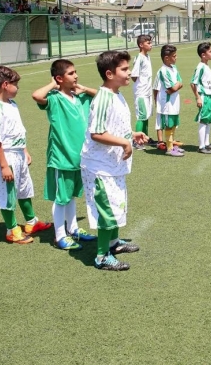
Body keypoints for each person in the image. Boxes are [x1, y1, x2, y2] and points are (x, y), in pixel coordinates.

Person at [81, 50, 149, 271]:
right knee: (107, 211)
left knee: (117, 205)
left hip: (113, 165)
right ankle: (102, 257)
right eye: (124, 69)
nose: (129, 72)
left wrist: (130, 135)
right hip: (100, 167)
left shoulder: (116, 94)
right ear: (109, 74)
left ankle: (113, 243)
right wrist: (124, 143)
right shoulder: (102, 98)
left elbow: (114, 126)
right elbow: (96, 133)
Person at [32, 59, 98, 250]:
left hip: (80, 157)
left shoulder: (80, 97)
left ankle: (74, 229)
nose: (76, 76)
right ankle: (60, 235)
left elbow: (102, 96)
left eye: (75, 72)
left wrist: (83, 88)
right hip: (62, 157)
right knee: (61, 198)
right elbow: (37, 96)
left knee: (71, 196)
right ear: (60, 78)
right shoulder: (54, 98)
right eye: (71, 73)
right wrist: (53, 83)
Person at [0, 66, 52, 245]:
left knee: (24, 188)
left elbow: (17, 130)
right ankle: (12, 229)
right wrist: (4, 165)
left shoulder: (12, 104)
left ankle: (31, 222)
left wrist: (24, 149)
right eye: (16, 84)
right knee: (7, 194)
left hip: (18, 154)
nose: (18, 87)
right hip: (6, 156)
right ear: (5, 84)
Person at [156, 44, 185, 156]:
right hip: (167, 103)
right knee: (168, 125)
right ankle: (169, 148)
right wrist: (176, 86)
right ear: (166, 58)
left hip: (175, 100)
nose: (176, 57)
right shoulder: (163, 71)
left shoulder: (174, 68)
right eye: (174, 56)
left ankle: (172, 145)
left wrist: (176, 86)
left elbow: (180, 82)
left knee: (173, 124)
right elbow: (171, 88)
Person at [130, 35, 157, 149]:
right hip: (141, 92)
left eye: (151, 43)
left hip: (147, 91)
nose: (151, 45)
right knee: (141, 116)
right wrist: (141, 85)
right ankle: (136, 141)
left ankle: (144, 138)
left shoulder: (147, 56)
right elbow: (134, 75)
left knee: (146, 115)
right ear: (141, 45)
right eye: (148, 43)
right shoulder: (139, 58)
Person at [191, 42, 211, 154]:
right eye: (210, 51)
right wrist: (198, 98)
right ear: (203, 55)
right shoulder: (200, 67)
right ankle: (201, 146)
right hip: (204, 96)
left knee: (208, 120)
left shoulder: (206, 66)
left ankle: (207, 143)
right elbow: (193, 83)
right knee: (203, 120)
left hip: (209, 96)